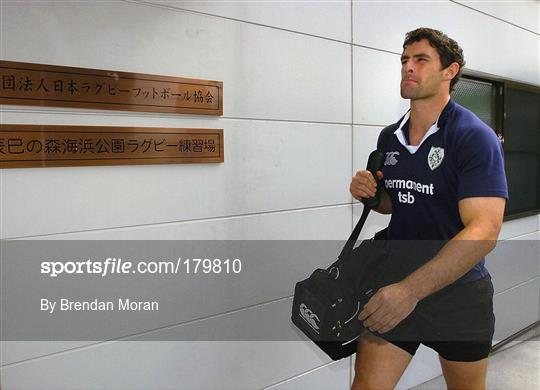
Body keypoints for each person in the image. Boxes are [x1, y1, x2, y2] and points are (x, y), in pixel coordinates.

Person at [349, 27, 508, 389]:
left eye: (421, 60)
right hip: (394, 283)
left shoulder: (472, 137)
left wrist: (410, 291)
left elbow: (484, 232)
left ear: (449, 71)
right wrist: (372, 195)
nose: (408, 67)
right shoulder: (390, 136)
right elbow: (397, 203)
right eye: (405, 60)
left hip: (458, 295)